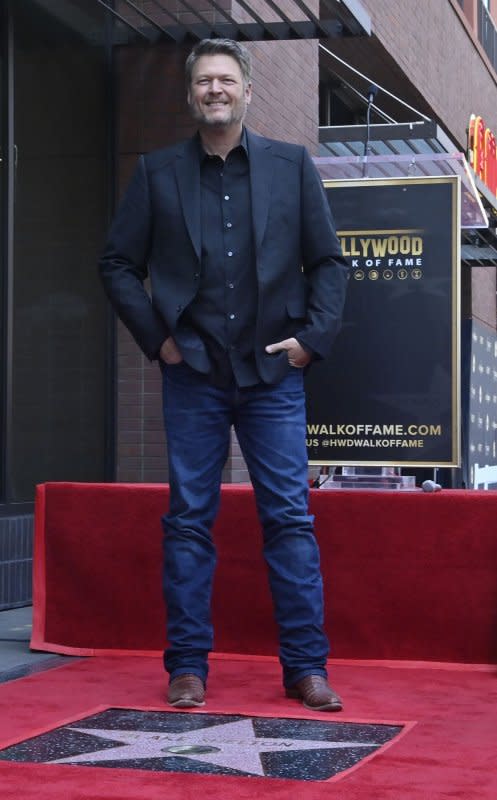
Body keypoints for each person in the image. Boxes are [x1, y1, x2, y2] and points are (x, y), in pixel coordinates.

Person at [99, 38, 349, 712]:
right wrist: (160, 342)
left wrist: (310, 341)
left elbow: (328, 262)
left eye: (226, 80)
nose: (215, 90)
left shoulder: (291, 167)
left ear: (246, 91)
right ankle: (186, 667)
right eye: (204, 81)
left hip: (273, 374)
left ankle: (306, 668)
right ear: (191, 95)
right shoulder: (157, 174)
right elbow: (117, 264)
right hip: (195, 373)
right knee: (187, 520)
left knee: (289, 519)